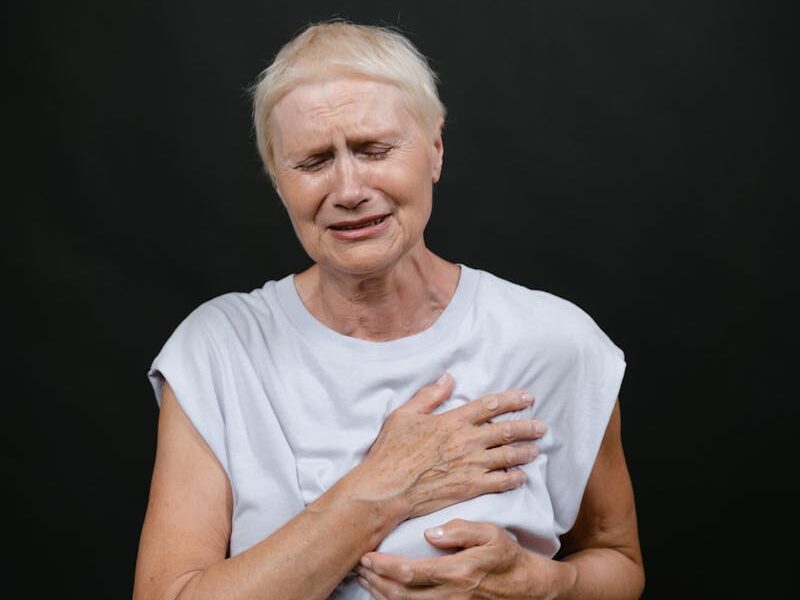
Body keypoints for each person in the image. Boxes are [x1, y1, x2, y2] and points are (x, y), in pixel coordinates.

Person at [133, 20, 644, 600]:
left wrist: (546, 584)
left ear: (435, 149)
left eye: (375, 150)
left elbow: (619, 562)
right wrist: (380, 488)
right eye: (313, 161)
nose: (349, 188)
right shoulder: (218, 349)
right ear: (278, 179)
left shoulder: (555, 341)